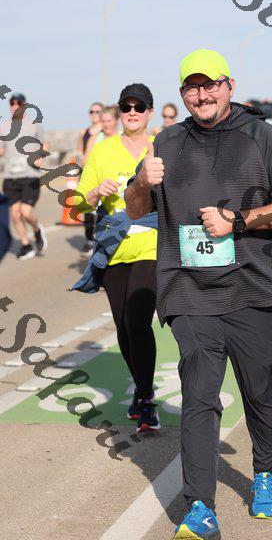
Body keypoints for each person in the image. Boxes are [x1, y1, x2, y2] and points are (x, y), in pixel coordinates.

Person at [125, 49, 272, 539]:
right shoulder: (166, 141)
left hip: (254, 286)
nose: (202, 94)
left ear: (230, 85)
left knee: (258, 388)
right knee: (198, 396)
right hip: (189, 289)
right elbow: (135, 208)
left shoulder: (262, 136)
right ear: (182, 93)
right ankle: (200, 507)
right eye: (192, 86)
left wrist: (239, 221)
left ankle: (266, 470)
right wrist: (141, 182)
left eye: (210, 85)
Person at [75, 84, 159, 433]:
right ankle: (141, 388)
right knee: (123, 326)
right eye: (127, 107)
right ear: (120, 112)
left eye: (140, 107)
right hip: (114, 246)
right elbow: (79, 202)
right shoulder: (103, 150)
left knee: (138, 321)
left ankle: (146, 398)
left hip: (151, 244)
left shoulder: (162, 145)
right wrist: (96, 191)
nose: (133, 112)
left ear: (150, 111)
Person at [0, 93, 48, 260]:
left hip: (30, 176)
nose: (15, 106)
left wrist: (41, 157)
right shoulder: (4, 127)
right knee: (15, 214)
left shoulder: (34, 125)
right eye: (12, 103)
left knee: (26, 212)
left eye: (18, 103)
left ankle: (36, 229)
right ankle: (26, 245)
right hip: (10, 177)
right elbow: (1, 150)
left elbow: (44, 143)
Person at [77, 102, 103, 257]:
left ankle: (100, 239)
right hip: (87, 171)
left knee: (101, 208)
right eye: (91, 111)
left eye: (97, 111)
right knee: (87, 206)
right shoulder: (84, 132)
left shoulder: (106, 131)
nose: (94, 114)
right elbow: (80, 151)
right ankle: (88, 240)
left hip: (102, 173)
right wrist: (82, 158)